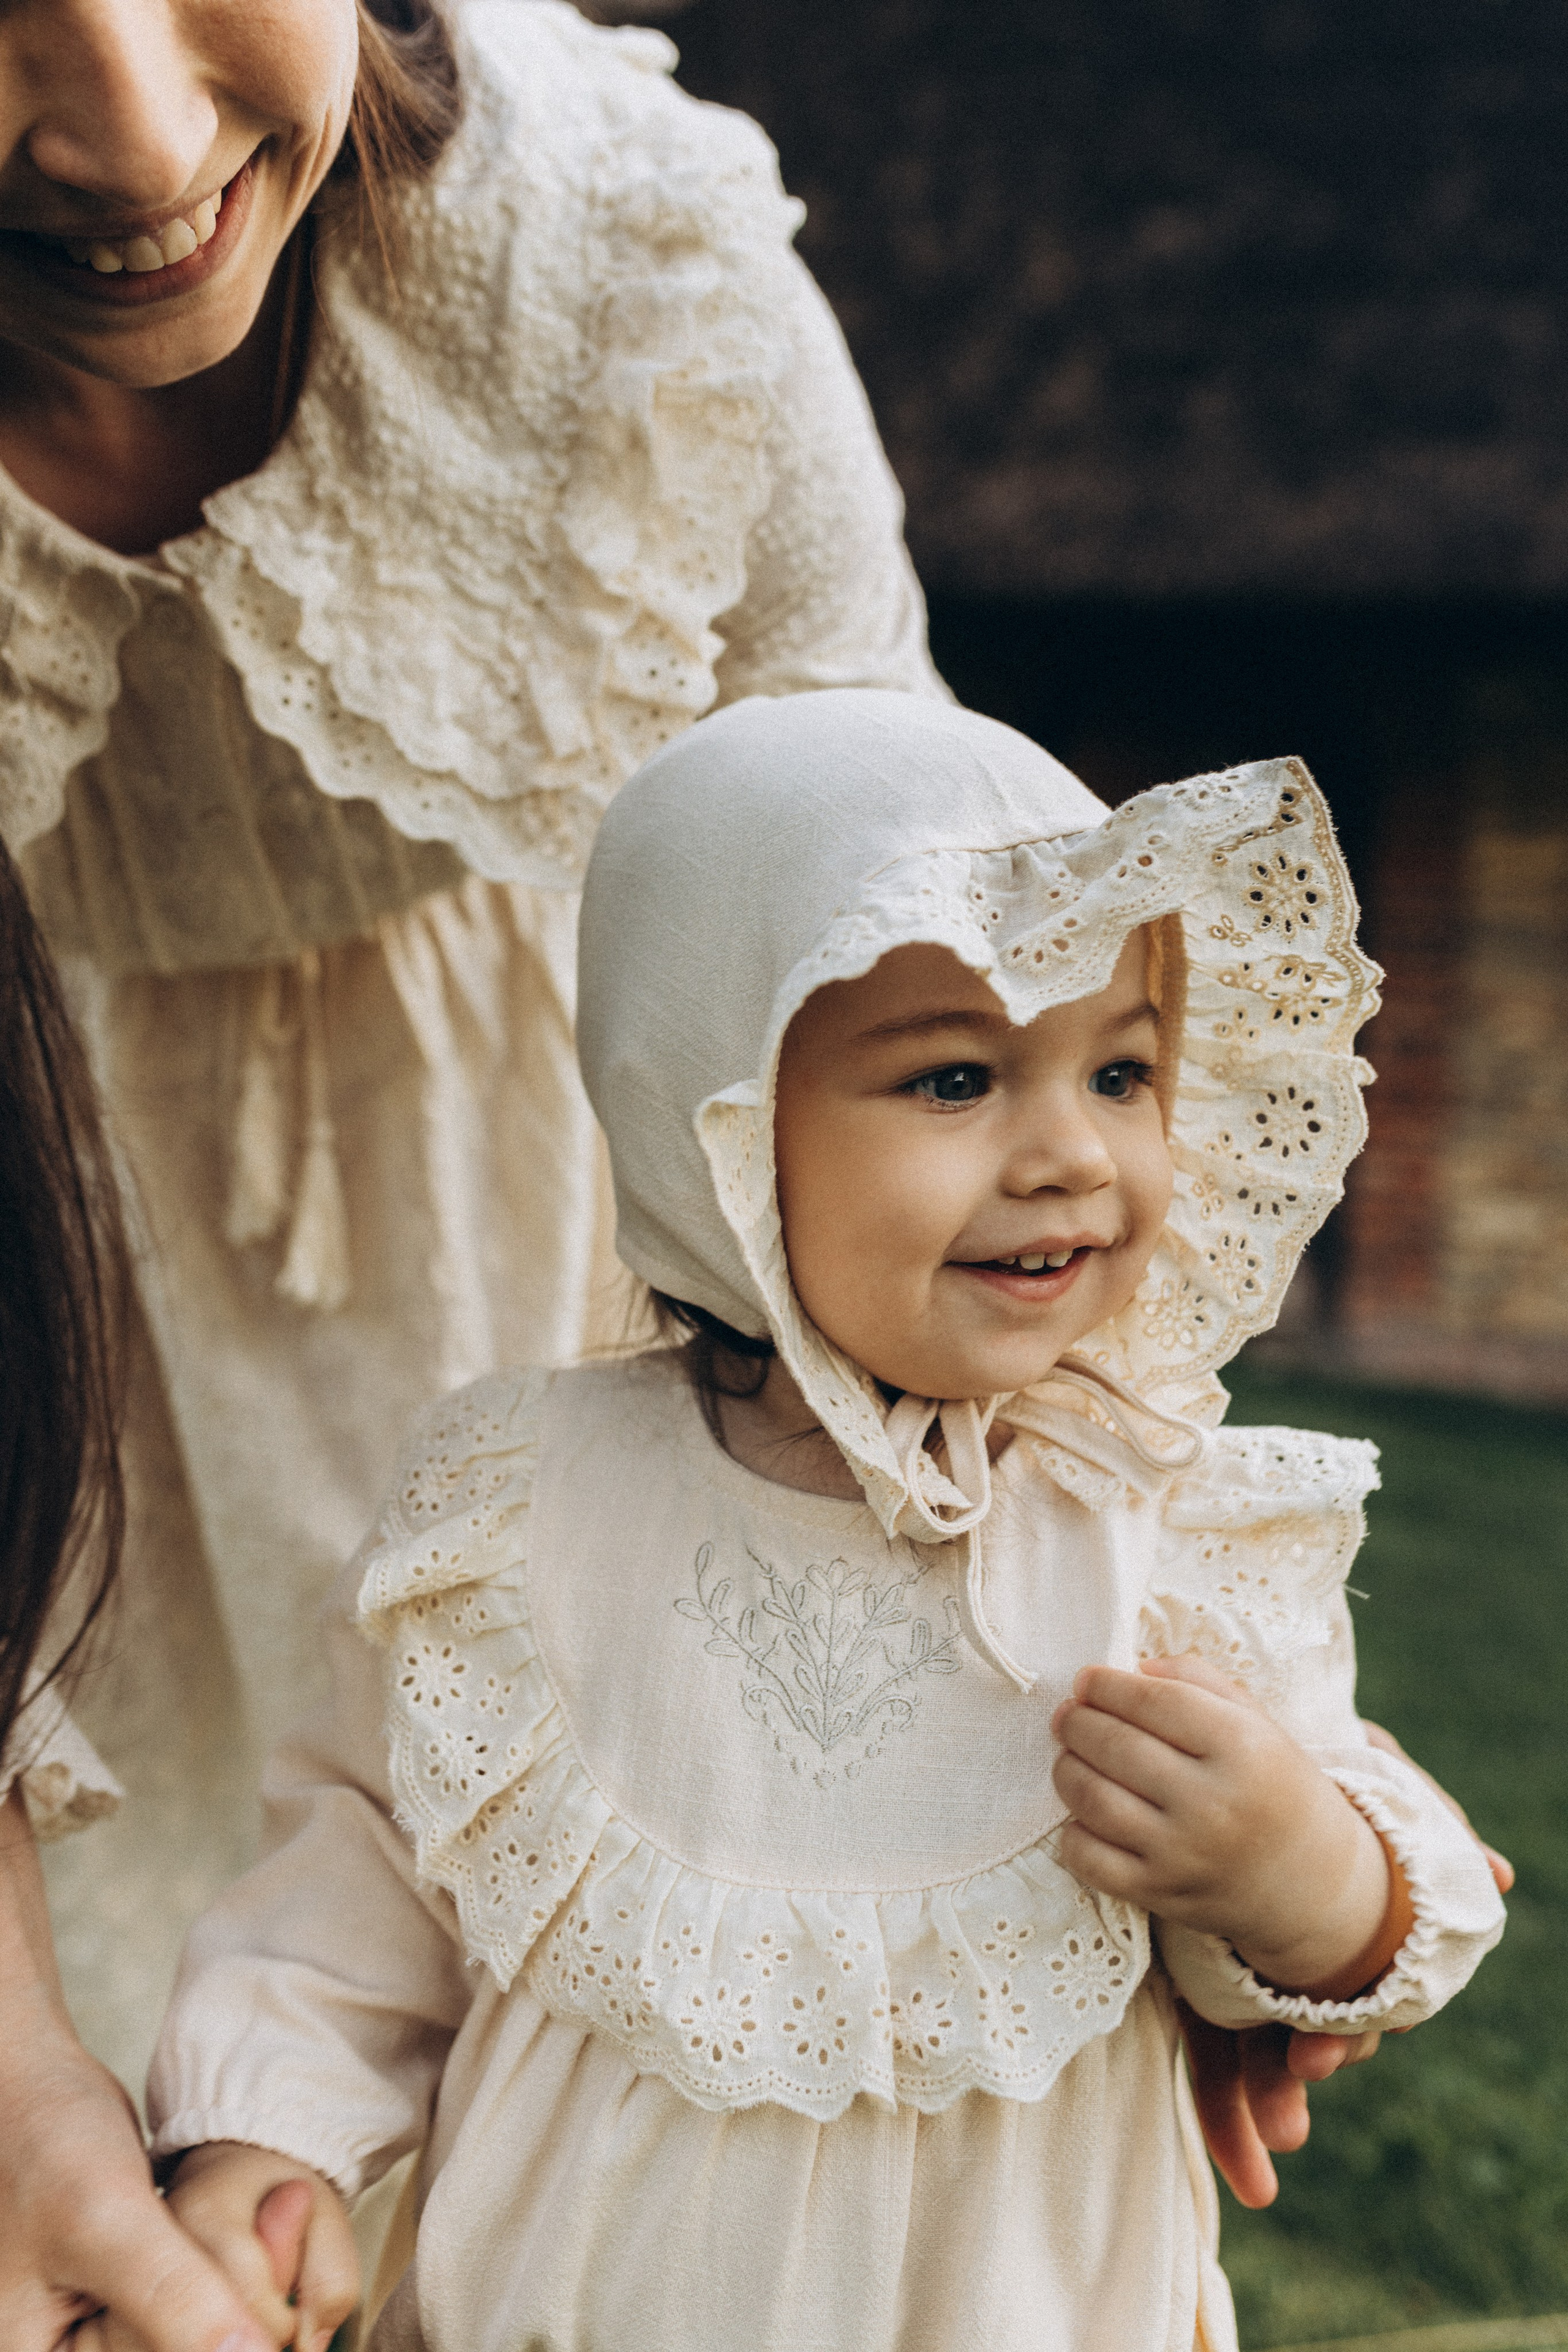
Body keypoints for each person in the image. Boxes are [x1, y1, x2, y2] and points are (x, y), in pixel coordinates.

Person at [140, 693, 1506, 2352]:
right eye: (954, 1077)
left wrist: (1295, 1873)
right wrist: (262, 2149)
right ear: (709, 1124)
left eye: (1124, 1070)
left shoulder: (1164, 1522)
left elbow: (1359, 1908)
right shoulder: (529, 1511)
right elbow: (358, 1886)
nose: (1071, 1151)